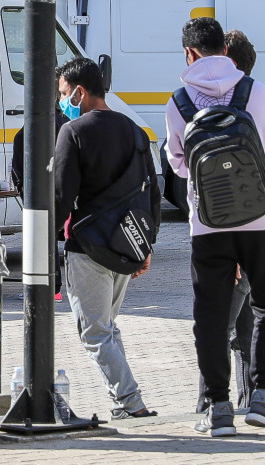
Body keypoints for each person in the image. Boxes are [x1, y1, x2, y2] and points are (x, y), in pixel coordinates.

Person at [164, 16, 265, 437]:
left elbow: (178, 164)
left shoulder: (178, 102)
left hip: (208, 223)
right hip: (261, 217)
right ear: (225, 48)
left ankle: (218, 408)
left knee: (210, 313)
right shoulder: (256, 91)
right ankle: (263, 397)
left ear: (188, 53)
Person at [54, 57, 158, 420]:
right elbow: (153, 194)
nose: (62, 102)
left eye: (64, 94)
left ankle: (132, 403)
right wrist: (146, 246)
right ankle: (123, 402)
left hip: (88, 248)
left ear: (80, 92)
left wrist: (44, 242)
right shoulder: (134, 131)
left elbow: (61, 198)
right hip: (126, 246)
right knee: (107, 328)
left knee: (95, 333)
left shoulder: (73, 132)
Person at [195, 28, 257, 413]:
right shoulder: (257, 100)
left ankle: (210, 402)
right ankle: (250, 395)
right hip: (259, 230)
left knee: (216, 325)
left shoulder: (228, 111)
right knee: (244, 320)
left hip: (230, 232)